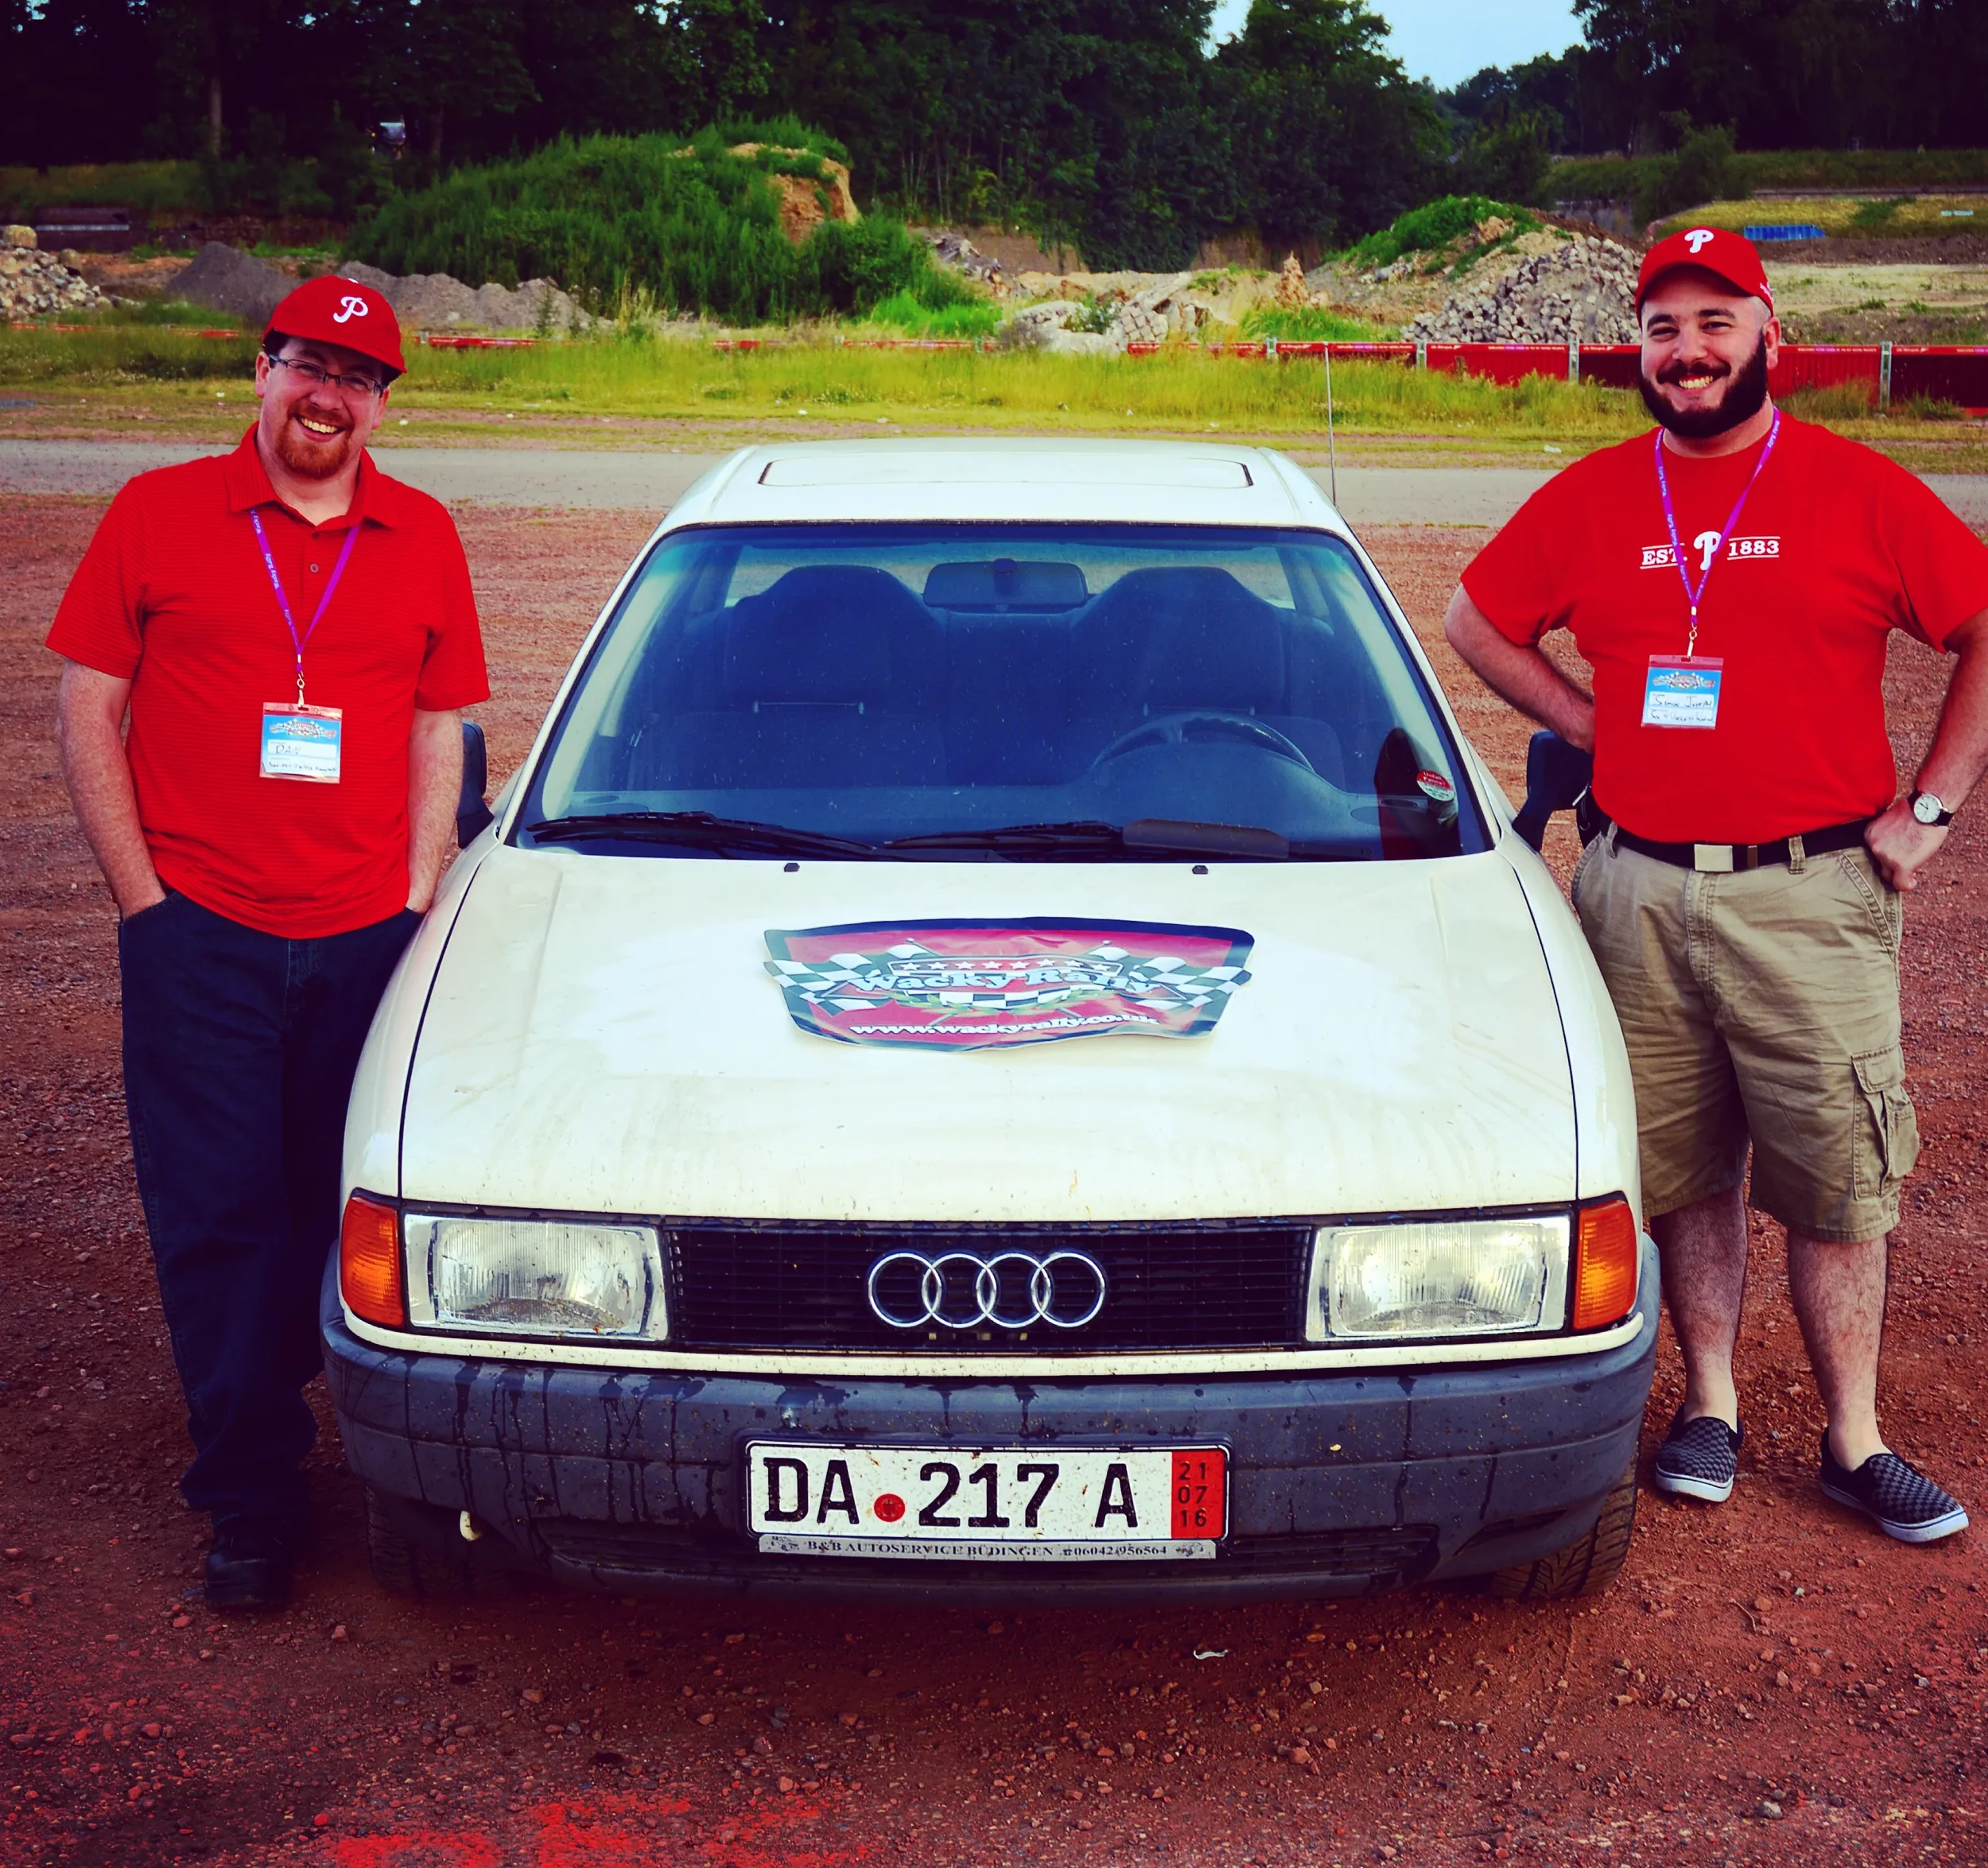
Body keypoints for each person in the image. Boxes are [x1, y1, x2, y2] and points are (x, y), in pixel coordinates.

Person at [1444, 226, 1987, 1545]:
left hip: (1812, 893)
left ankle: (1853, 1438)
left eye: (1712, 323)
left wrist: (1930, 808)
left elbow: (1981, 629)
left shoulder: (1861, 491)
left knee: (1839, 1175)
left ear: (1768, 334)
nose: (1685, 354)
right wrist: (1591, 726)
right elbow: (1473, 623)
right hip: (1632, 885)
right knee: (1682, 1166)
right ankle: (1712, 1407)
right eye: (1662, 329)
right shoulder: (1592, 497)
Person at [48, 276, 489, 1605]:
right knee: (219, 1215)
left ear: (381, 402)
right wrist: (143, 902)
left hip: (365, 938)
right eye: (309, 367)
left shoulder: (420, 532)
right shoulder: (157, 514)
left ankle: (335, 1428)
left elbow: (440, 724)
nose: (329, 398)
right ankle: (249, 1492)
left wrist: (418, 896)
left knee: (335, 1205)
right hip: (203, 940)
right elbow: (87, 708)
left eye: (358, 380)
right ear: (262, 368)